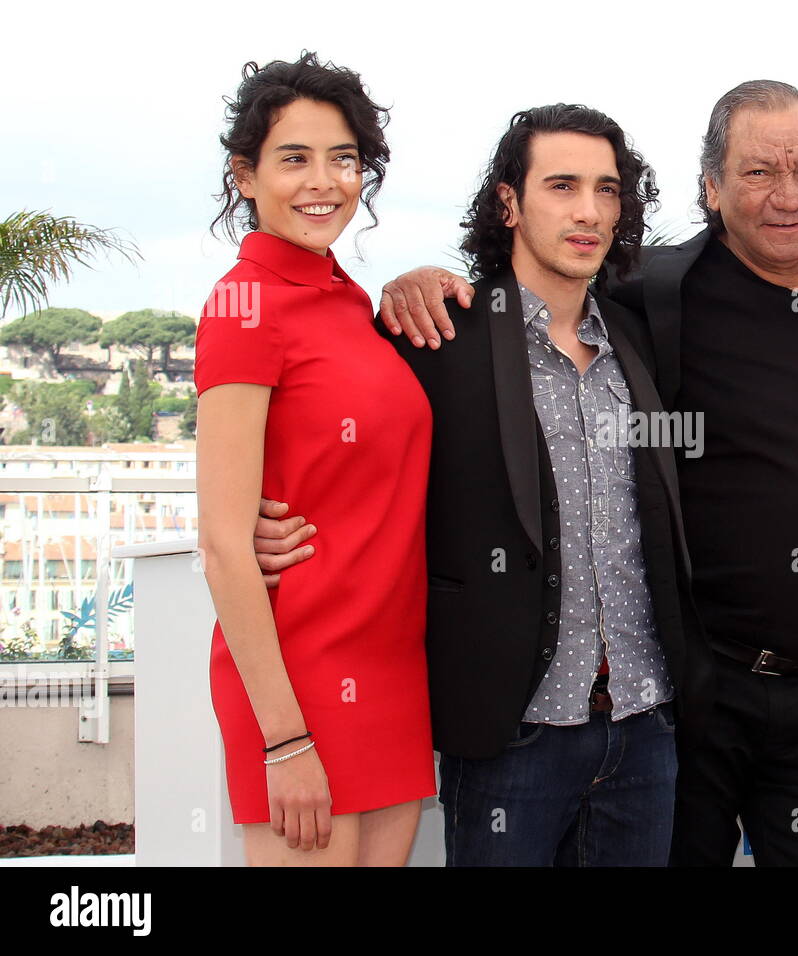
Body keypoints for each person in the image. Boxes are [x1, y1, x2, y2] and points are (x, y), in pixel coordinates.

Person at [374, 80, 798, 867]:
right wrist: (414, 281)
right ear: (711, 187)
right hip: (685, 701)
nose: (788, 196)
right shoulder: (656, 295)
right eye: (759, 172)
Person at [258, 104, 711, 866]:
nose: (588, 211)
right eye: (562, 185)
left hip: (645, 729)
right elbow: (341, 445)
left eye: (606, 189)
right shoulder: (437, 336)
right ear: (509, 201)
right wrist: (254, 524)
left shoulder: (638, 339)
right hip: (513, 736)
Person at [195, 52, 436, 866]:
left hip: (392, 666)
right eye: (293, 158)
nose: (323, 181)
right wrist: (285, 740)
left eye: (344, 159)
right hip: (297, 682)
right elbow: (227, 542)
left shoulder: (347, 300)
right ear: (245, 175)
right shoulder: (242, 304)